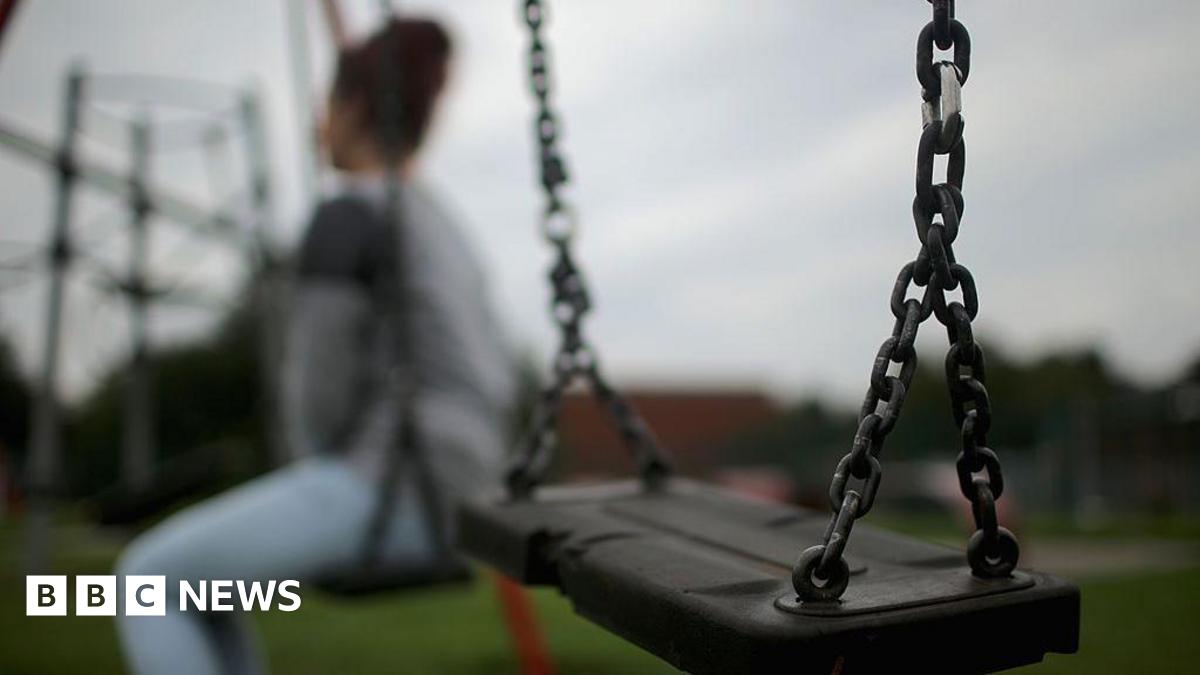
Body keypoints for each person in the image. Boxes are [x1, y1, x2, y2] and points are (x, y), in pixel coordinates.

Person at [116, 18, 516, 674]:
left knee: (148, 579)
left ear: (353, 107)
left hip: (396, 485)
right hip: (471, 487)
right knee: (204, 589)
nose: (316, 120)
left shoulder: (347, 216)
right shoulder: (437, 219)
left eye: (327, 102)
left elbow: (318, 388)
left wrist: (313, 466)